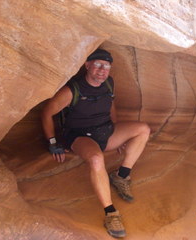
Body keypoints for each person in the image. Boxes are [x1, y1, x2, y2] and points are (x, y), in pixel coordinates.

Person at [41, 48, 150, 238]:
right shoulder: (73, 89)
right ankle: (110, 213)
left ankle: (121, 176)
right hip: (80, 136)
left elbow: (111, 104)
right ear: (87, 65)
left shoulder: (108, 83)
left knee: (143, 130)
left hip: (104, 131)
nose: (102, 70)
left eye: (106, 66)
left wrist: (116, 131)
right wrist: (52, 143)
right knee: (96, 159)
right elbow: (47, 112)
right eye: (98, 64)